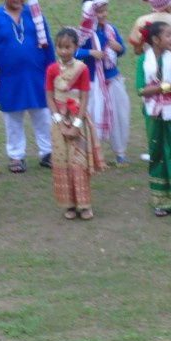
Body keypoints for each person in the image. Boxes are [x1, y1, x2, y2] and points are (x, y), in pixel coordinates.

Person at [0, 0, 55, 173]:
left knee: (42, 114)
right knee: (13, 118)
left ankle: (48, 152)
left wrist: (53, 72)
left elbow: (48, 45)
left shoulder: (35, 15)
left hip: (37, 75)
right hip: (8, 77)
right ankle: (16, 155)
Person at [46, 28, 108, 220]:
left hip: (77, 119)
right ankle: (69, 205)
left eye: (68, 47)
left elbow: (84, 96)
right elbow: (49, 97)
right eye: (60, 47)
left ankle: (84, 204)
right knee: (63, 162)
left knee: (79, 163)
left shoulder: (82, 68)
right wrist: (60, 123)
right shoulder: (52, 69)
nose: (63, 51)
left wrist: (76, 125)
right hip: (59, 120)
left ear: (76, 48)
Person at [135, 21, 171, 217]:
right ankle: (160, 202)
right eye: (168, 35)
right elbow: (141, 90)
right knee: (158, 153)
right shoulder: (143, 60)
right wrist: (166, 87)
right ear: (155, 39)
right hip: (153, 114)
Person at [76, 0, 129, 166]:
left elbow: (122, 50)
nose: (104, 14)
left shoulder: (110, 30)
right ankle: (93, 153)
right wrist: (90, 52)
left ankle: (120, 152)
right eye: (100, 12)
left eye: (105, 11)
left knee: (119, 115)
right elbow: (74, 52)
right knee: (93, 116)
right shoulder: (84, 34)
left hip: (113, 79)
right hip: (93, 82)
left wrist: (118, 47)